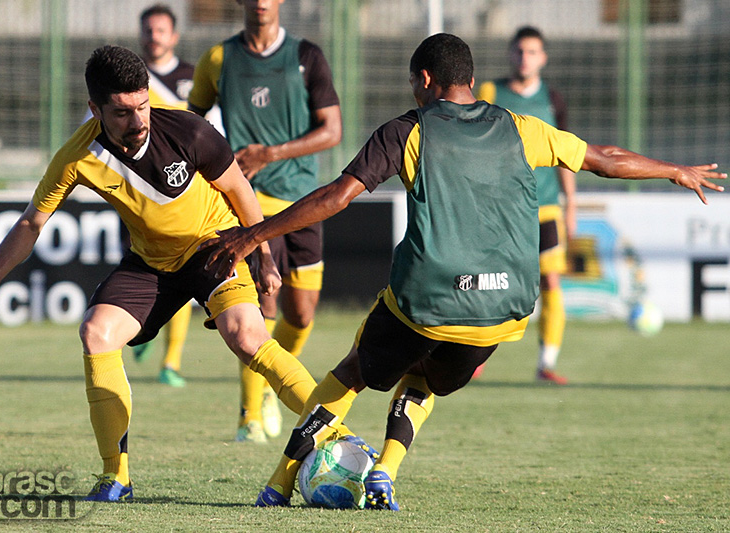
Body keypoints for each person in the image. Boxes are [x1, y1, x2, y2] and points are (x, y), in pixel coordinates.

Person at [203, 33, 724, 510]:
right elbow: (605, 159)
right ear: (471, 79)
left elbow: (338, 196)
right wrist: (674, 170)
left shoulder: (407, 130)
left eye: (412, 82)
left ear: (425, 80)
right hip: (502, 310)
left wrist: (253, 234)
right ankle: (385, 470)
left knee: (353, 371)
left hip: (426, 301)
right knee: (424, 377)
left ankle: (278, 483)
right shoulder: (522, 128)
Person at [0, 45, 335, 502]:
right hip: (152, 263)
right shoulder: (77, 155)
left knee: (248, 338)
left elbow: (239, 189)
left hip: (215, 246)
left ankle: (338, 435)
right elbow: (30, 224)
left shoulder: (189, 130)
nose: (138, 121)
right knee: (96, 333)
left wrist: (264, 256)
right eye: (122, 112)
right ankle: (116, 477)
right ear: (95, 109)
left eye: (143, 105)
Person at [187, 0, 342, 443]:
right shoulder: (218, 59)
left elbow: (332, 131)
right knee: (262, 308)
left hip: (302, 202)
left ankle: (274, 381)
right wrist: (215, 167)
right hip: (247, 203)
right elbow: (190, 125)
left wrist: (269, 154)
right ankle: (249, 416)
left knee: (302, 314)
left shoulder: (306, 56)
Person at [476, 26, 575, 384]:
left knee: (550, 280)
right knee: (492, 283)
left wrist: (571, 205)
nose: (524, 58)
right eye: (519, 51)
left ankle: (546, 363)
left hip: (545, 207)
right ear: (510, 54)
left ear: (542, 58)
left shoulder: (553, 99)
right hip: (502, 208)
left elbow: (566, 155)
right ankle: (474, 355)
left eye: (532, 52)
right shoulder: (490, 92)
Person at [130, 3, 197, 388]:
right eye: (148, 30)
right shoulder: (128, 76)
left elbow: (208, 126)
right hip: (138, 192)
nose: (153, 37)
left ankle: (170, 363)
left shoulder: (192, 78)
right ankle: (143, 329)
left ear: (173, 36)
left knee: (183, 271)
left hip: (182, 188)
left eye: (160, 30)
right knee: (144, 269)